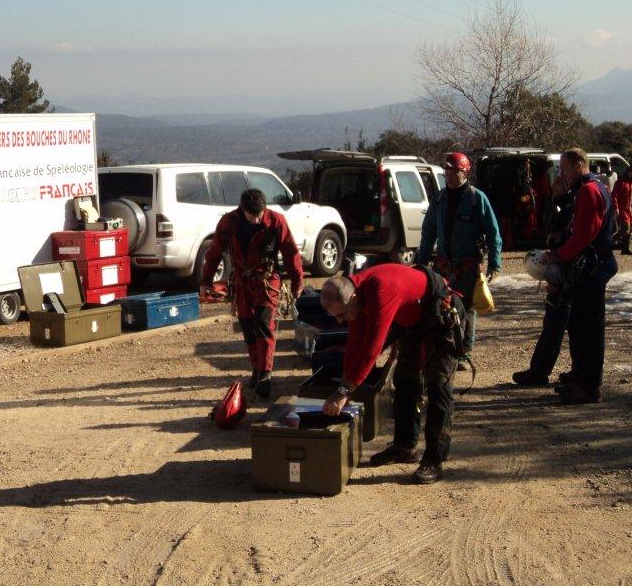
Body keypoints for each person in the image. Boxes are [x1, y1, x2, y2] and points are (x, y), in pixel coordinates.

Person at [320, 264, 463, 484]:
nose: (340, 321)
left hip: (441, 316)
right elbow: (355, 343)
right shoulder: (356, 297)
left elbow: (372, 348)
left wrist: (345, 391)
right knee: (405, 381)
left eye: (341, 315)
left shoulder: (381, 292)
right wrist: (344, 385)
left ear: (353, 298)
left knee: (438, 388)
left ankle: (435, 459)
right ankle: (404, 447)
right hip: (414, 322)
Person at [200, 188, 303, 399]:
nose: (256, 220)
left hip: (267, 281)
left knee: (264, 325)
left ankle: (265, 374)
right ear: (242, 210)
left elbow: (291, 252)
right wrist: (206, 281)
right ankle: (256, 368)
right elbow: (214, 253)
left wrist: (297, 281)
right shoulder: (228, 223)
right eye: (251, 216)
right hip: (242, 283)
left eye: (259, 215)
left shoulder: (276, 221)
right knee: (248, 328)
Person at [544, 148, 618, 405]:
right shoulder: (593, 187)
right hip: (590, 265)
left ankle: (588, 384)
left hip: (591, 267)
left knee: (587, 328)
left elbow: (585, 234)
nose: (561, 174)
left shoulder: (589, 190)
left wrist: (559, 255)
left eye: (564, 168)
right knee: (578, 325)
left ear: (578, 165)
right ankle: (580, 376)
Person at [417, 152, 502, 368]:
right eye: (447, 171)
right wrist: (421, 262)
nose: (450, 175)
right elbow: (428, 233)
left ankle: (464, 352)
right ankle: (443, 349)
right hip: (443, 266)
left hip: (467, 267)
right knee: (440, 306)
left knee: (466, 308)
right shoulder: (438, 199)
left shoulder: (477, 198)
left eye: (454, 171)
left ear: (465, 172)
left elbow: (493, 233)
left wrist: (495, 263)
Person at [512, 176, 575, 385]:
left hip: (565, 274)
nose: (552, 194)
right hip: (564, 272)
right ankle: (558, 371)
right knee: (560, 325)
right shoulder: (566, 209)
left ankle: (539, 372)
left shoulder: (569, 211)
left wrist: (556, 274)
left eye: (555, 190)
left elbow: (568, 244)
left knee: (556, 324)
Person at [613, 165, 632, 256]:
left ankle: (625, 248)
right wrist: (616, 207)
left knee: (631, 228)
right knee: (625, 228)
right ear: (630, 172)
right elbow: (615, 195)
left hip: (629, 209)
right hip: (622, 209)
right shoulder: (620, 182)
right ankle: (610, 243)